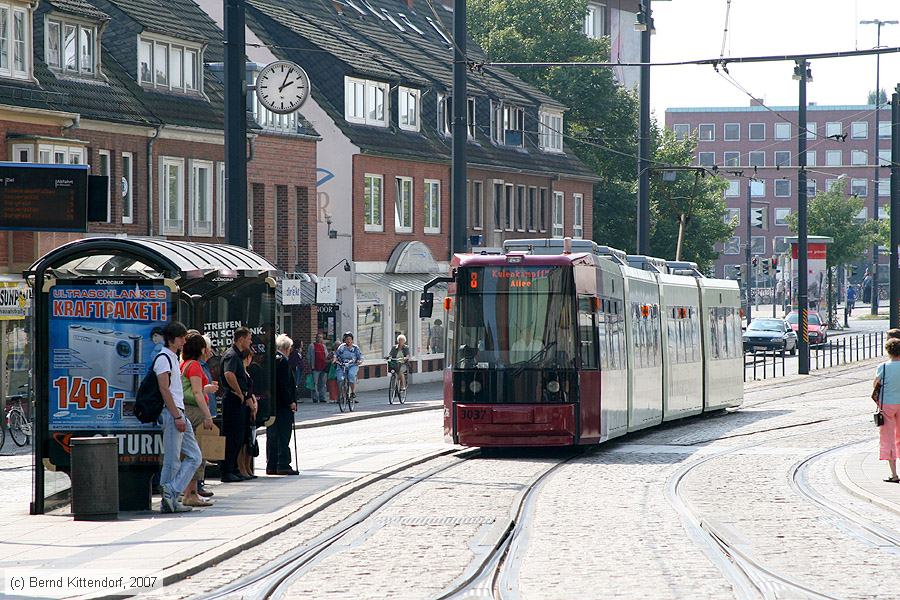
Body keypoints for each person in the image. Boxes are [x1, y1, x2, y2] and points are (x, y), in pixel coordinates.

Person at [155, 321, 202, 513]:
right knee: (172, 460)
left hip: (179, 412)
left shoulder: (173, 358)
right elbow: (164, 389)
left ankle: (171, 492)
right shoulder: (163, 358)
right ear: (171, 339)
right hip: (173, 413)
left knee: (195, 456)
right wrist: (176, 415)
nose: (184, 340)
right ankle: (170, 498)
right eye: (181, 337)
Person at [180, 332, 219, 507]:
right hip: (194, 412)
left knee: (187, 454)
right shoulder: (195, 365)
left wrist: (206, 388)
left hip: (185, 410)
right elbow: (196, 392)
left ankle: (186, 492)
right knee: (197, 454)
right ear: (201, 349)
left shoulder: (183, 364)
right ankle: (192, 493)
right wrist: (207, 415)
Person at [220, 327, 252, 482]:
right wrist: (239, 392)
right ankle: (227, 471)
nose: (250, 342)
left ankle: (234, 469)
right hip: (232, 399)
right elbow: (228, 374)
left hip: (238, 399)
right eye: (249, 338)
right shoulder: (232, 355)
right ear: (241, 339)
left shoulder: (237, 355)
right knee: (232, 436)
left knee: (238, 436)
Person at [267, 334, 299, 475]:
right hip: (283, 405)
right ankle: (283, 464)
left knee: (273, 434)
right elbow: (284, 385)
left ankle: (271, 464)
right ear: (287, 348)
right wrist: (290, 402)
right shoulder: (283, 362)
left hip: (272, 405)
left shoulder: (272, 360)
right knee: (283, 435)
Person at [874, 338, 900, 483]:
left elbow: (875, 385)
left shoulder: (883, 367)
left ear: (888, 351)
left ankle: (894, 474)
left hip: (887, 405)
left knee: (888, 437)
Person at [333, 331, 363, 402]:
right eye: (347, 339)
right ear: (344, 340)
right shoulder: (341, 347)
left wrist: (359, 361)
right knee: (340, 379)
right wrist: (334, 360)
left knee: (351, 375)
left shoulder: (355, 348)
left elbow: (360, 357)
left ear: (352, 340)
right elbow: (336, 355)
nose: (348, 341)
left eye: (350, 339)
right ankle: (343, 395)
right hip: (342, 365)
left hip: (352, 365)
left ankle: (352, 392)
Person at [307, 332, 330, 403]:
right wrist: (310, 366)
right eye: (318, 337)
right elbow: (309, 356)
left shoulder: (324, 346)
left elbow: (326, 356)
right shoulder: (312, 346)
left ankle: (322, 397)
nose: (319, 338)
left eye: (321, 337)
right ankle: (315, 398)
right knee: (315, 383)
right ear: (316, 338)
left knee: (322, 384)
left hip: (323, 367)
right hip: (315, 367)